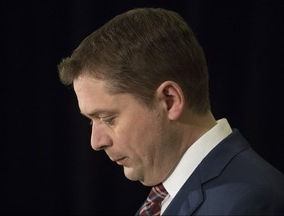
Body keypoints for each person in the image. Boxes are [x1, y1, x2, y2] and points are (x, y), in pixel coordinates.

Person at [57, 7, 284, 215]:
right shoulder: (164, 196)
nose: (96, 142)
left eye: (108, 118)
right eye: (91, 121)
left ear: (170, 100)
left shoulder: (251, 203)